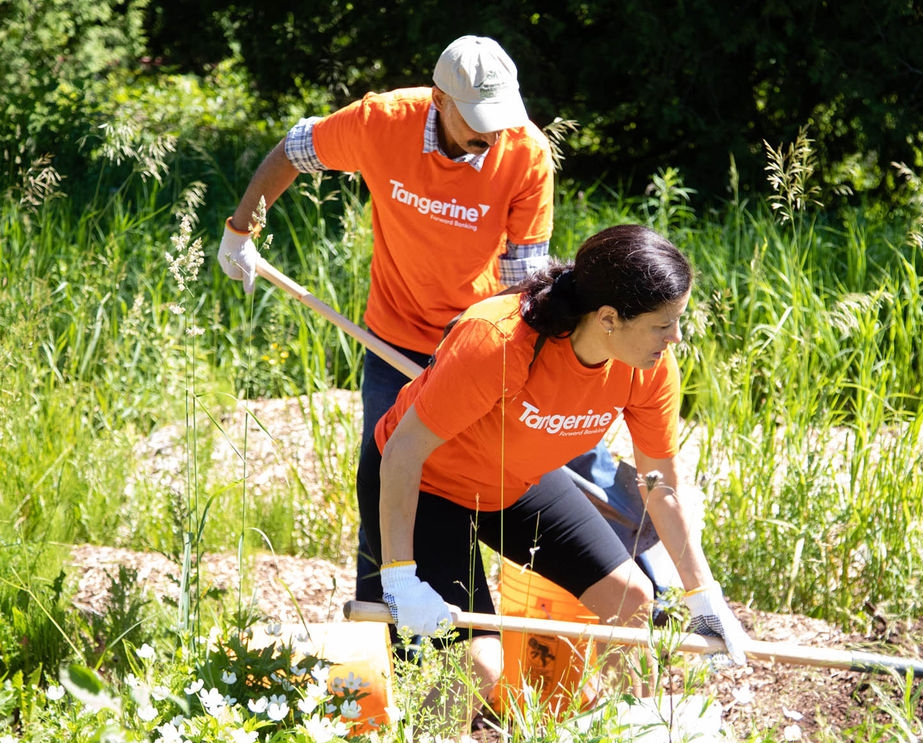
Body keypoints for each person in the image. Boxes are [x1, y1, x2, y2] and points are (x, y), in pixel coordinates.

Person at [216, 34, 661, 599]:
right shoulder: (381, 122)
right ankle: (387, 615)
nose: (492, 135)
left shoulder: (524, 154)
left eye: (501, 120)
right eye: (479, 121)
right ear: (439, 99)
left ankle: (652, 586)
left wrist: (512, 362)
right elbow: (293, 148)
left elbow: (523, 278)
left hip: (488, 343)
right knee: (390, 472)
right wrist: (240, 232)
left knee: (562, 448)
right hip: (395, 336)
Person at [356, 224, 749, 715]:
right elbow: (402, 451)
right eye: (662, 324)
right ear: (608, 317)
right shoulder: (499, 342)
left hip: (517, 480)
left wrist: (703, 595)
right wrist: (399, 577)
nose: (676, 337)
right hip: (427, 486)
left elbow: (661, 485)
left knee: (632, 601)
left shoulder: (649, 368)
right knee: (479, 665)